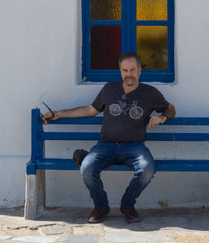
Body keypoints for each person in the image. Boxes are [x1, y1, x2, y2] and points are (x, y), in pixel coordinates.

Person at [43, 52, 175, 224]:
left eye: (132, 70)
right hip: (105, 145)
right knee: (87, 169)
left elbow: (170, 108)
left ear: (140, 70)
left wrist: (162, 117)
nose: (129, 74)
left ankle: (127, 205)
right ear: (120, 71)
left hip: (134, 147)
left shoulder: (150, 93)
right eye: (125, 70)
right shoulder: (109, 89)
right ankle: (101, 206)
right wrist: (58, 113)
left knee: (147, 169)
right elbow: (90, 110)